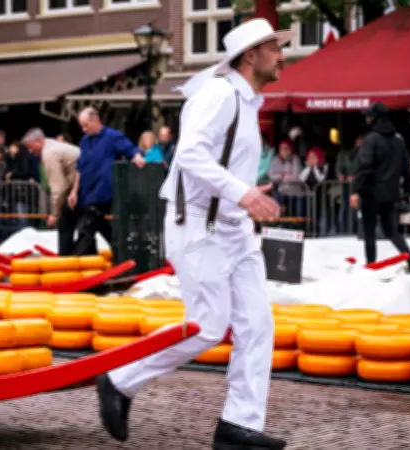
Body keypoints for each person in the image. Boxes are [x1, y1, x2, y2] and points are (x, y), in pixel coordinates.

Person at [95, 19, 289, 449]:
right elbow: (190, 155)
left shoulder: (246, 102)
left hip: (233, 230)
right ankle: (119, 380)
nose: (282, 56)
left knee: (258, 325)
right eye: (275, 47)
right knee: (207, 326)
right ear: (250, 55)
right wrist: (243, 193)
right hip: (199, 225)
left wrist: (245, 196)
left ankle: (240, 426)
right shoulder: (219, 93)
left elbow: (219, 166)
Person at [350, 102, 410, 272]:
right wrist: (407, 189)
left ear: (375, 118)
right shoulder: (398, 140)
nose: (367, 119)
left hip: (371, 192)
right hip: (390, 193)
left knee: (369, 232)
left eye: (369, 116)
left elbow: (363, 167)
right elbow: (406, 167)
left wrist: (355, 191)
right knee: (391, 230)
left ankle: (371, 264)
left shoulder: (371, 139)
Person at [69, 107, 146, 255]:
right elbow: (80, 168)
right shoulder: (84, 141)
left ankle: (78, 257)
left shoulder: (113, 136)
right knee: (99, 225)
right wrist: (74, 190)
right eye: (82, 126)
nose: (84, 129)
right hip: (87, 191)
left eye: (86, 125)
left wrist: (137, 156)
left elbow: (130, 149)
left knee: (88, 226)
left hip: (103, 191)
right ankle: (121, 251)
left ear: (95, 120)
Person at [21, 127, 80, 255]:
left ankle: (67, 257)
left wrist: (54, 214)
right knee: (84, 223)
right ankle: (72, 255)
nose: (30, 151)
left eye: (30, 147)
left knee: (67, 222)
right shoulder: (51, 145)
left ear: (39, 141)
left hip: (82, 186)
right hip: (80, 184)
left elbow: (58, 188)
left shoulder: (49, 154)